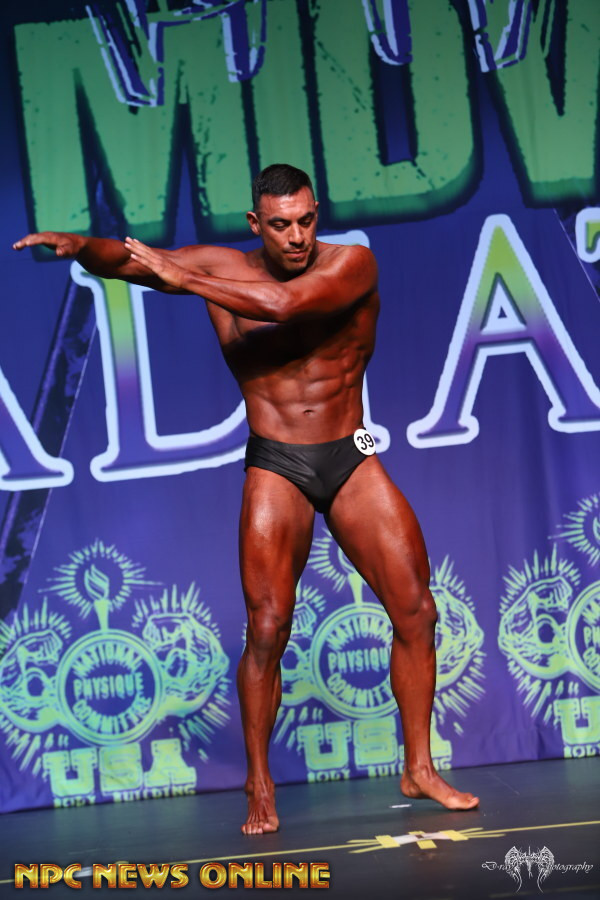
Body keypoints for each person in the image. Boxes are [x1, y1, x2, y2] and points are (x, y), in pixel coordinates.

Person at [14, 163, 478, 833]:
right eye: (281, 225)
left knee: (416, 609)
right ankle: (258, 780)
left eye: (307, 220)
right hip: (276, 459)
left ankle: (419, 767)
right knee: (266, 628)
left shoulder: (351, 264)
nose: (297, 236)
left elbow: (286, 306)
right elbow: (133, 261)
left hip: (349, 451)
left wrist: (184, 280)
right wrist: (84, 247)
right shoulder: (221, 266)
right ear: (256, 224)